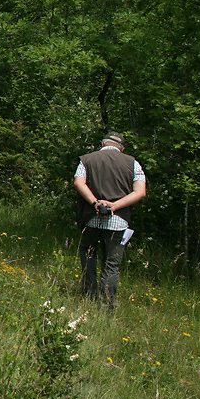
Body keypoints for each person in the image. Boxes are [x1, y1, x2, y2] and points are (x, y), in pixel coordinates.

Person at [73, 131, 147, 310]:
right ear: (121, 148)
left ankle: (90, 295)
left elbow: (78, 182)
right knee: (111, 263)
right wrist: (115, 206)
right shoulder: (133, 163)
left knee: (88, 252)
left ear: (103, 144)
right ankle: (107, 303)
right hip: (118, 221)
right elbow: (140, 192)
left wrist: (95, 203)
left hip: (91, 218)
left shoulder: (87, 159)